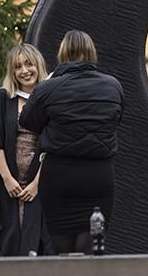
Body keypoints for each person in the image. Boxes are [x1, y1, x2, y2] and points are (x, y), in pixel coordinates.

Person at [19, 30, 123, 255]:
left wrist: (47, 84)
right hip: (98, 175)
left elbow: (27, 121)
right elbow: (115, 120)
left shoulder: (48, 88)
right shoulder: (113, 86)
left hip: (59, 177)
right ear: (92, 53)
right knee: (92, 251)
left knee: (61, 252)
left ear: (62, 53)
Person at [0, 43, 51, 256]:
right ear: (12, 72)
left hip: (40, 183)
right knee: (7, 240)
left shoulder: (50, 100)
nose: (24, 71)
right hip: (7, 184)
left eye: (29, 64)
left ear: (38, 65)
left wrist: (36, 184)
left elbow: (53, 144)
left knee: (38, 243)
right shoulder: (2, 99)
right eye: (18, 67)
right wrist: (7, 179)